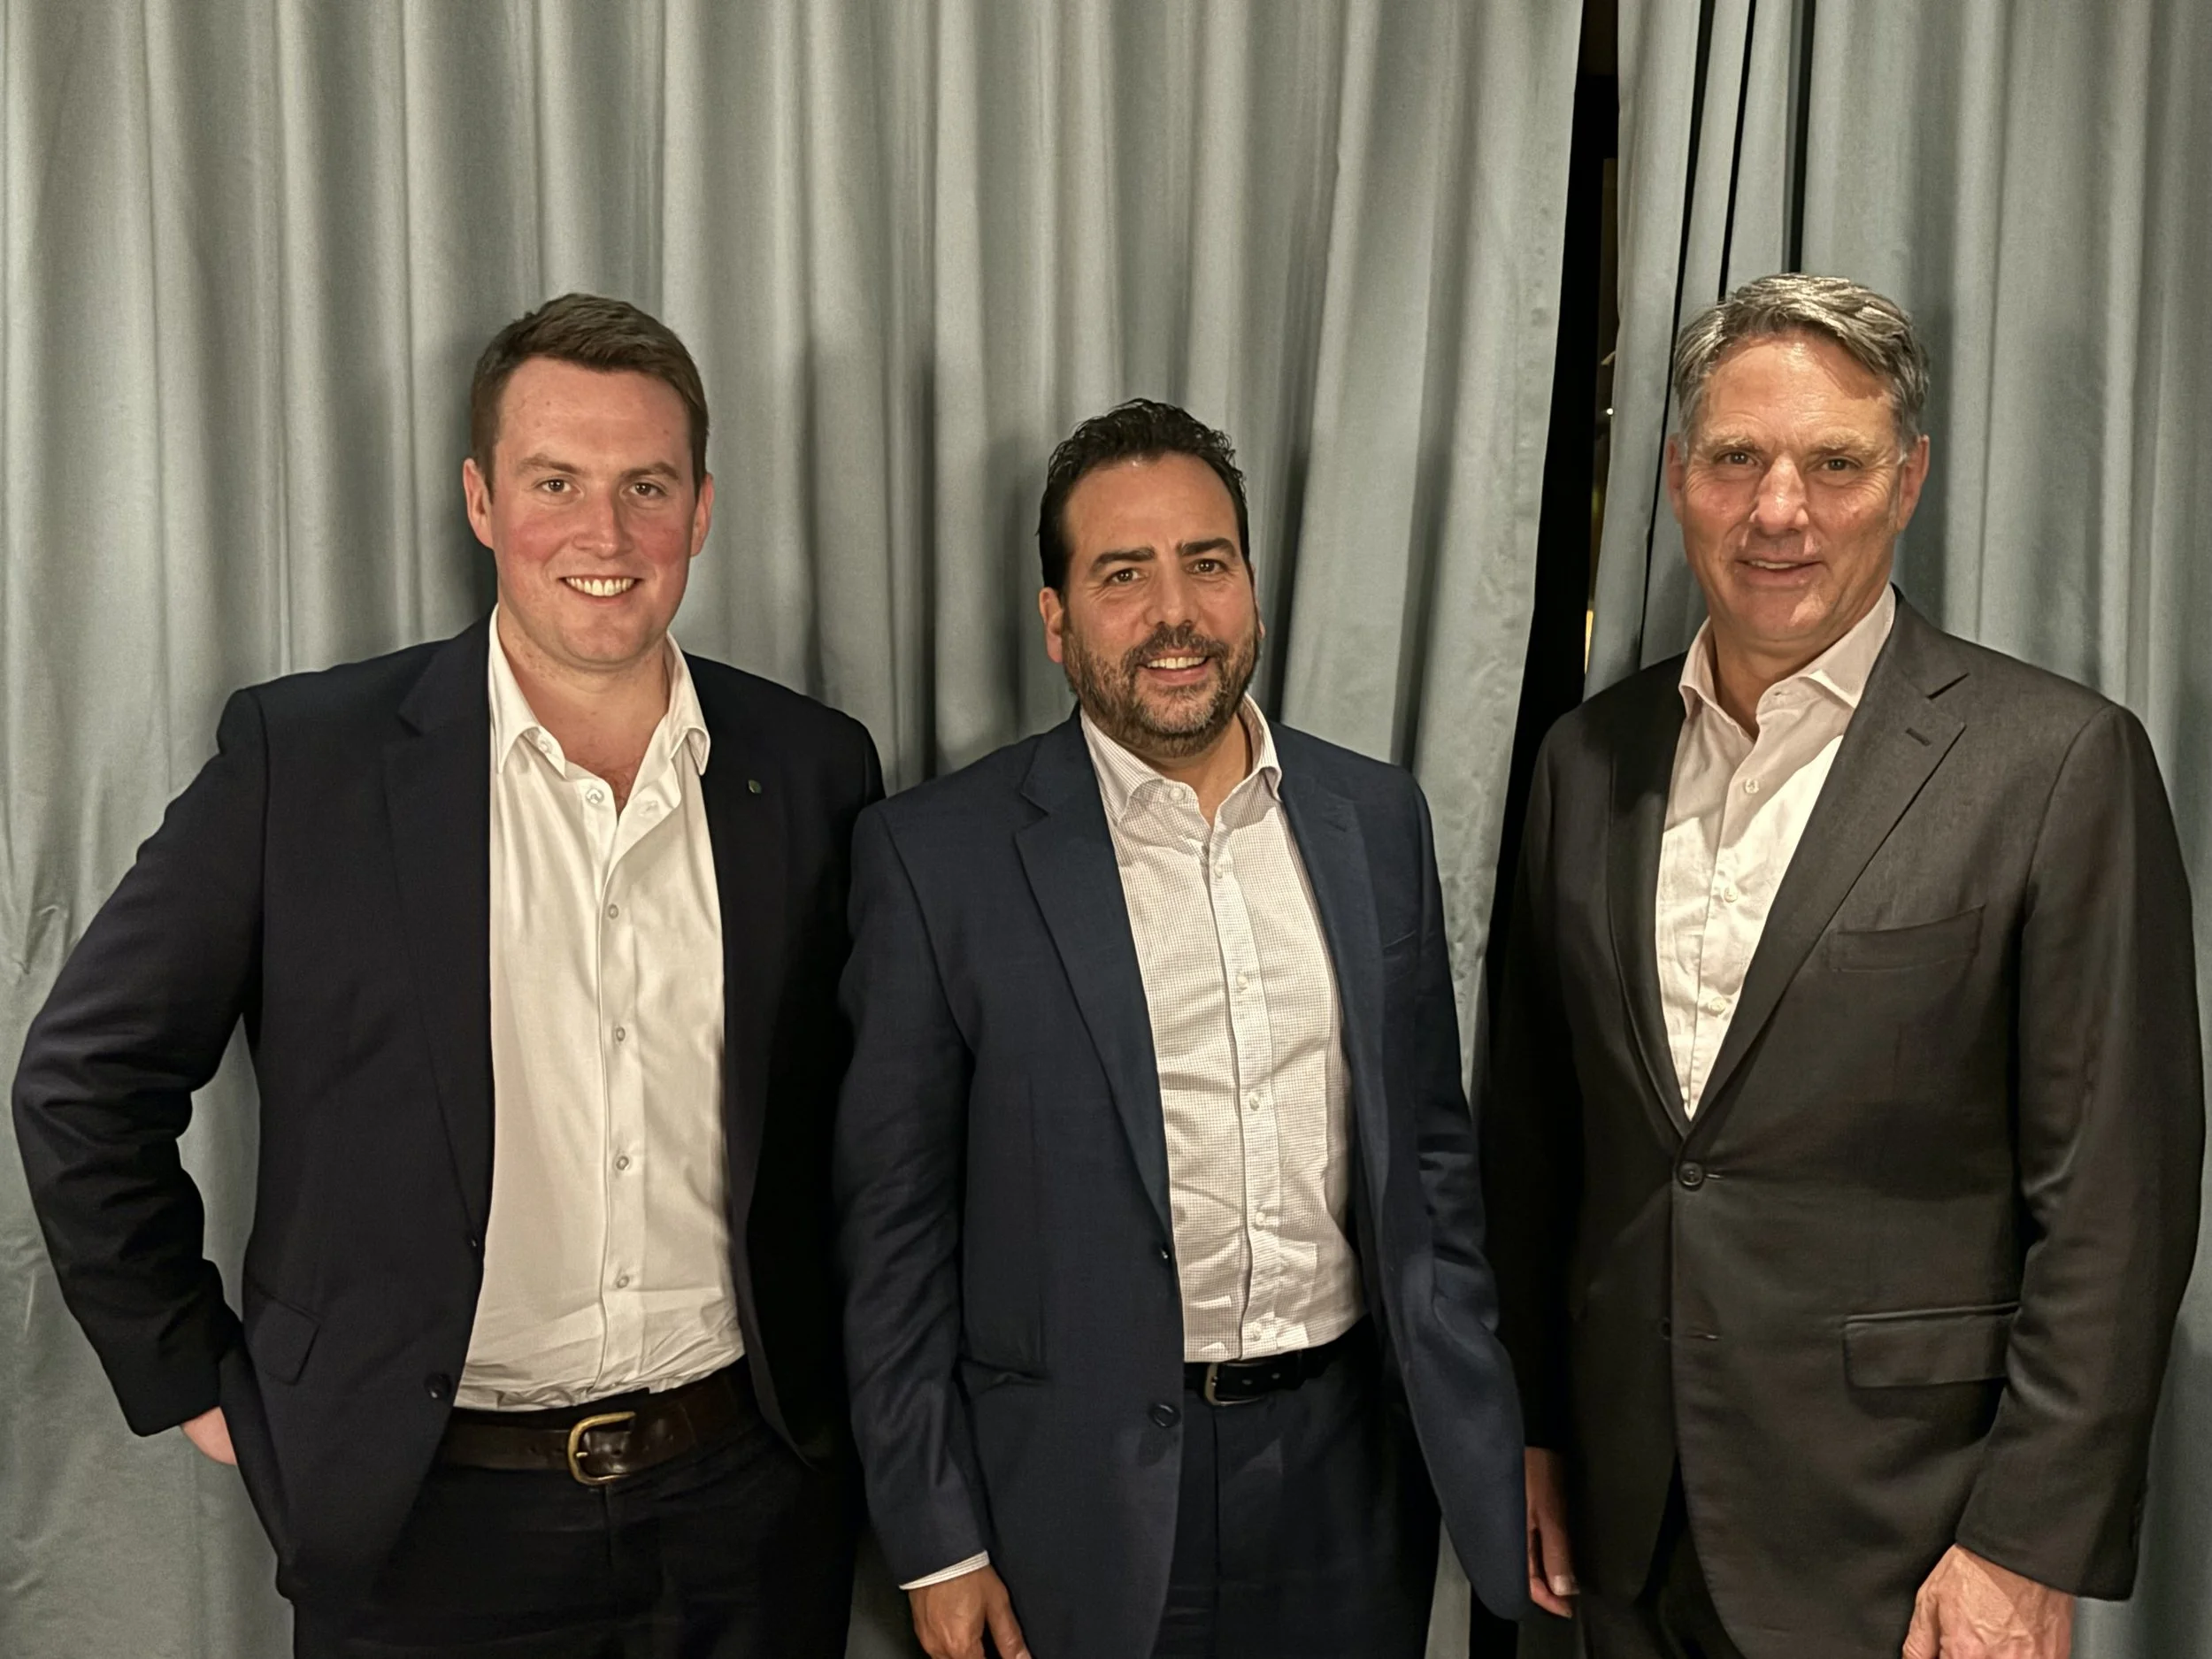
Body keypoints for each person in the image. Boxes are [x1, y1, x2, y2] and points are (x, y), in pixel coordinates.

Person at [13, 293, 882, 1656]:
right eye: (556, 483)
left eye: (644, 486)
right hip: (423, 1523)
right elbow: (81, 1080)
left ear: (701, 510)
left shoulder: (816, 769)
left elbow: (863, 1130)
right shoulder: (305, 764)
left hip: (746, 1509)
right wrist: (194, 1377)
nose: (604, 537)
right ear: (481, 500)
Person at [1484, 273, 2202, 1659]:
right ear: (1682, 474)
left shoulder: (2055, 766)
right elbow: (1540, 1141)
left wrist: (2023, 1543)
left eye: (1835, 462)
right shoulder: (1587, 761)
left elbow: (2117, 1198)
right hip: (1625, 1531)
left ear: (1911, 477)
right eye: (1739, 458)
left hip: (1911, 1549)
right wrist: (1534, 1425)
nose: (1779, 511)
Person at [833, 399, 1526, 1659]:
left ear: (1250, 585)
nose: (1176, 612)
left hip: (1353, 1474)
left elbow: (1430, 1154)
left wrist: (1475, 1412)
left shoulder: (1375, 818)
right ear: (1054, 618)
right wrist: (937, 1535)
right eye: (1122, 573)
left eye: (1207, 562)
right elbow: (894, 1242)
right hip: (1077, 1497)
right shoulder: (940, 858)